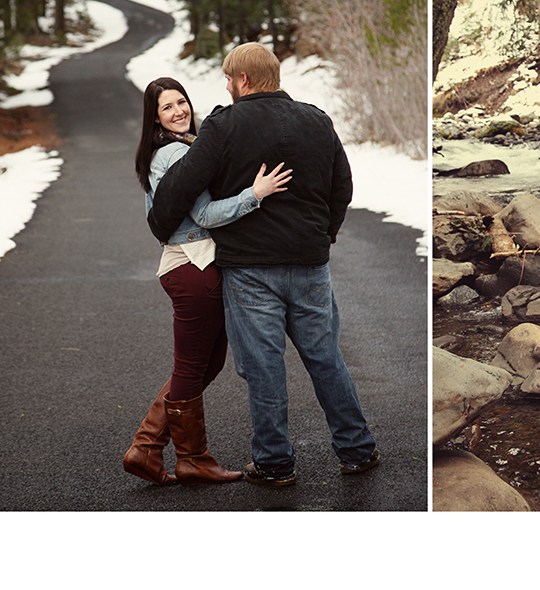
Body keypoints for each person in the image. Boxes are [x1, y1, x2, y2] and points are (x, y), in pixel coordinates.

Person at [146, 43, 378, 487]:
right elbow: (341, 185)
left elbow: (185, 184)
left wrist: (160, 220)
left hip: (250, 269)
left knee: (264, 366)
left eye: (229, 80)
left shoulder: (222, 125)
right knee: (326, 357)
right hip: (310, 264)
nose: (227, 88)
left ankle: (274, 463)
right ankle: (357, 449)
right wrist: (322, 235)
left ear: (243, 81)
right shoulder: (317, 119)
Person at [123, 77, 291, 486]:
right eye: (167, 107)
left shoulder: (177, 147)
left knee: (205, 364)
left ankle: (148, 448)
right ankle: (190, 457)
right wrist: (256, 192)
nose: (179, 110)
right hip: (192, 266)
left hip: (191, 266)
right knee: (192, 366)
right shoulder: (175, 153)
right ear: (155, 117)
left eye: (181, 101)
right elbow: (204, 216)